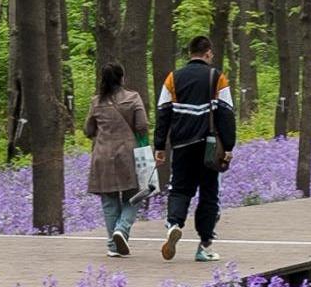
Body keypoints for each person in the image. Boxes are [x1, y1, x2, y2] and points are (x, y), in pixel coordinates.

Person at [154, 36, 236, 262]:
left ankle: (173, 224)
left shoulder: (173, 78)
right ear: (208, 53)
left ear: (190, 53)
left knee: (180, 188)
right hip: (208, 146)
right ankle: (204, 245)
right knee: (209, 193)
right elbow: (226, 113)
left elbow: (163, 112)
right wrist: (228, 146)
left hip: (181, 145)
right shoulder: (217, 78)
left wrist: (159, 145)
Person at [84, 63, 149, 257]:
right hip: (127, 154)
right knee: (135, 194)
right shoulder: (133, 98)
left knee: (109, 201)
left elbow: (88, 130)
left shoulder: (96, 102)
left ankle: (113, 246)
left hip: (102, 155)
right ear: (122, 78)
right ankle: (122, 229)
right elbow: (142, 125)